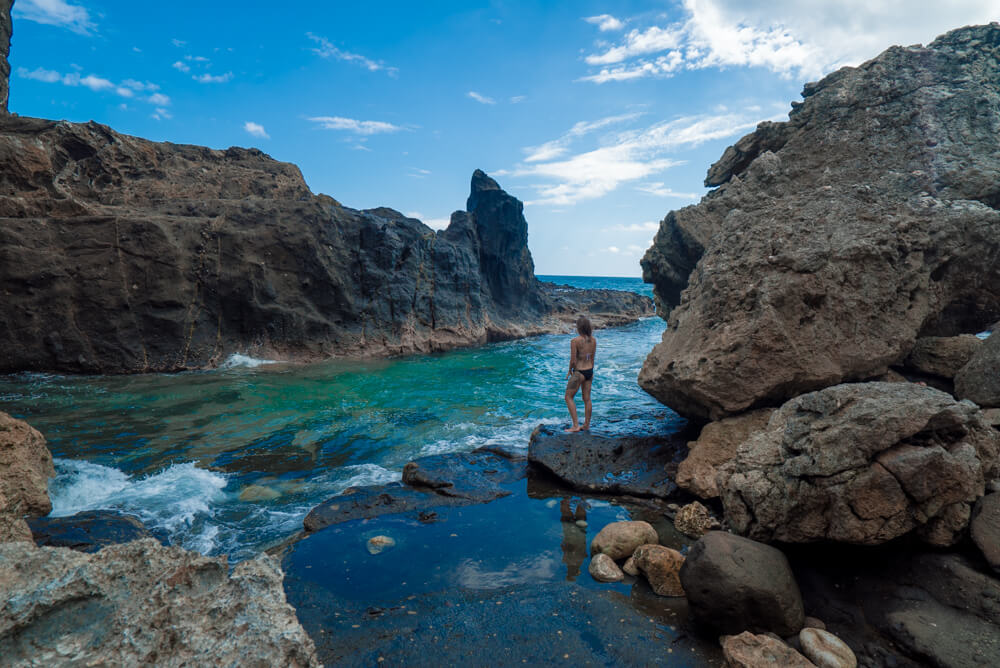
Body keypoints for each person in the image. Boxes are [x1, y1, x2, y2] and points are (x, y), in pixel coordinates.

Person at [564, 315, 596, 432]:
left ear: (579, 328)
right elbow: (592, 358)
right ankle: (586, 425)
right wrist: (591, 371)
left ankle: (576, 425)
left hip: (579, 372)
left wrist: (569, 371)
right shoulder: (593, 340)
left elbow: (573, 360)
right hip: (589, 371)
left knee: (568, 397)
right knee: (587, 399)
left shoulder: (575, 341)